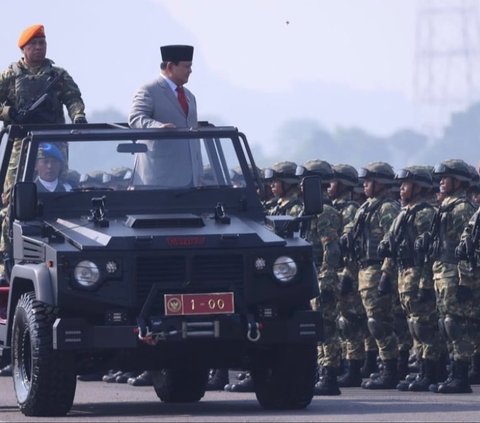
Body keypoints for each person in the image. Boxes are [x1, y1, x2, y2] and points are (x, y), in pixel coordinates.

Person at [0, 24, 86, 273]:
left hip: (54, 140)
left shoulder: (57, 75)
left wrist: (78, 116)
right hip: (22, 142)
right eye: (33, 45)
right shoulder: (10, 75)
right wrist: (9, 112)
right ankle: (6, 258)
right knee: (11, 199)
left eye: (42, 44)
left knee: (61, 191)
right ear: (24, 49)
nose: (38, 48)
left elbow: (73, 98)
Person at [378, 166, 447, 391]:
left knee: (424, 326)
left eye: (405, 185)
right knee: (413, 325)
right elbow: (394, 245)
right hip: (404, 274)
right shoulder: (404, 212)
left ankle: (431, 372)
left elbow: (429, 253)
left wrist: (426, 284)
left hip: (418, 275)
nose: (401, 189)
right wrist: (386, 275)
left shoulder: (425, 213)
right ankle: (423, 370)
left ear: (417, 188)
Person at [341, 161, 401, 389]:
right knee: (361, 323)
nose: (364, 185)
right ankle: (358, 369)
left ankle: (390, 371)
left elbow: (393, 244)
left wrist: (387, 273)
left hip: (377, 270)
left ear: (380, 183)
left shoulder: (387, 209)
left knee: (380, 323)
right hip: (363, 270)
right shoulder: (365, 208)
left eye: (369, 182)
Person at [426, 159, 476, 394]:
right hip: (441, 271)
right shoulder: (446, 206)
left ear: (458, 181)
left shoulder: (462, 208)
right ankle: (451, 373)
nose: (442, 182)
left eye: (446, 178)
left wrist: (465, 280)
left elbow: (468, 248)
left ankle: (460, 376)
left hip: (454, 272)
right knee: (444, 323)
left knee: (456, 324)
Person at [296, 160, 343, 396]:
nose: (300, 187)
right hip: (311, 276)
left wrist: (325, 278)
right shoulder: (308, 210)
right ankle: (320, 371)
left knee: (327, 328)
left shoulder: (325, 212)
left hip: (322, 277)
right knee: (316, 328)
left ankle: (330, 375)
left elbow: (331, 250)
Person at [128, 44, 202, 187]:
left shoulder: (189, 96)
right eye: (186, 67)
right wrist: (158, 127)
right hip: (159, 180)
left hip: (191, 182)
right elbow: (136, 118)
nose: (190, 71)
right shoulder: (149, 90)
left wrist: (198, 172)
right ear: (170, 67)